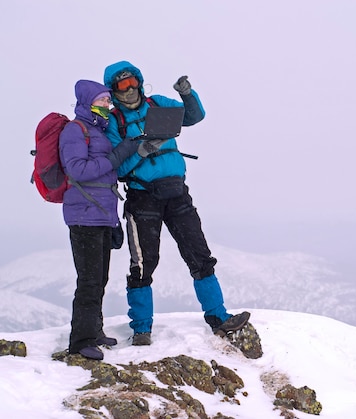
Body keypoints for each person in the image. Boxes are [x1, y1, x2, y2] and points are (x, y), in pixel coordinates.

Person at [103, 61, 250, 346]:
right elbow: (116, 168)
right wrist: (142, 151)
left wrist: (187, 95)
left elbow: (193, 117)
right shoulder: (114, 122)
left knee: (199, 254)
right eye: (122, 85)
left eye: (133, 81)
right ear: (114, 89)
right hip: (142, 196)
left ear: (140, 81)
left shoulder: (158, 104)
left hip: (177, 193)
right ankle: (142, 329)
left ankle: (218, 318)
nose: (130, 88)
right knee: (144, 264)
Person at [60, 79, 165, 359]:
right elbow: (78, 170)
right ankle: (81, 341)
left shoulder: (98, 130)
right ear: (87, 102)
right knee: (89, 281)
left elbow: (108, 177)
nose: (108, 104)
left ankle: (94, 330)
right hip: (83, 215)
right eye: (103, 100)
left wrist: (114, 221)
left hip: (102, 214)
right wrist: (120, 154)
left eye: (108, 100)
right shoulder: (75, 130)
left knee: (100, 278)